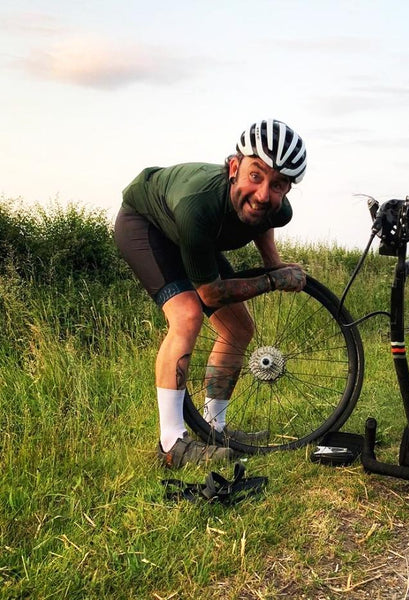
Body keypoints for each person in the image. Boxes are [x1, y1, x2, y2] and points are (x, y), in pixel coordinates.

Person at [114, 119, 307, 468]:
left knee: (238, 329)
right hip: (146, 225)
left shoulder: (276, 209)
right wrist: (272, 280)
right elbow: (211, 294)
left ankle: (215, 428)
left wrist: (273, 263)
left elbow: (266, 221)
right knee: (187, 315)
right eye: (255, 175)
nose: (263, 195)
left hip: (194, 236)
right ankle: (171, 444)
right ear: (234, 167)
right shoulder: (198, 203)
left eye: (278, 185)